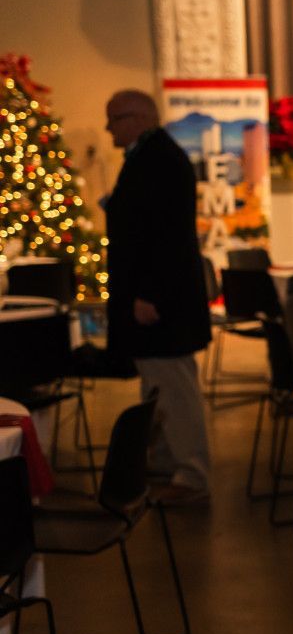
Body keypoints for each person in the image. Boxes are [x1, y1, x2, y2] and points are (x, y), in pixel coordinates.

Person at [103, 89, 212, 506]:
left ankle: (192, 475)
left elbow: (165, 238)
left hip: (161, 304)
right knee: (158, 387)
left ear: (139, 117)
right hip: (158, 300)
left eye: (113, 119)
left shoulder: (159, 160)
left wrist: (148, 295)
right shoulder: (150, 156)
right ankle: (166, 463)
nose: (108, 128)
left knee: (174, 389)